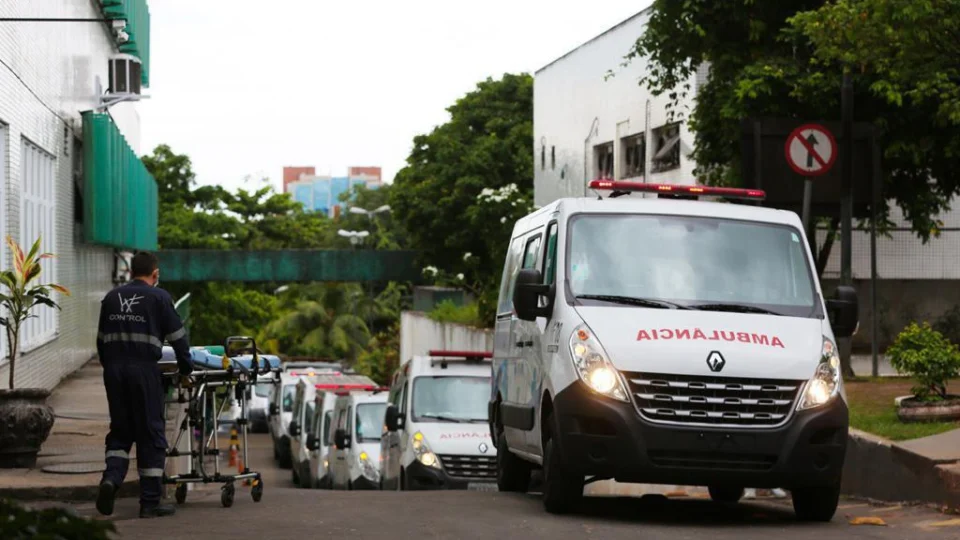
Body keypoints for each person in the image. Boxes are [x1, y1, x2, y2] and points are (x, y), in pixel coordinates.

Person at [95, 251, 193, 519]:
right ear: (155, 273)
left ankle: (111, 480)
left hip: (114, 371)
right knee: (150, 432)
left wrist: (112, 368)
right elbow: (178, 338)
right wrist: (186, 368)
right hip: (143, 371)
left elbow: (101, 341)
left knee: (121, 431)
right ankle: (149, 502)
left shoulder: (112, 297)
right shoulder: (160, 298)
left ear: (130, 272)